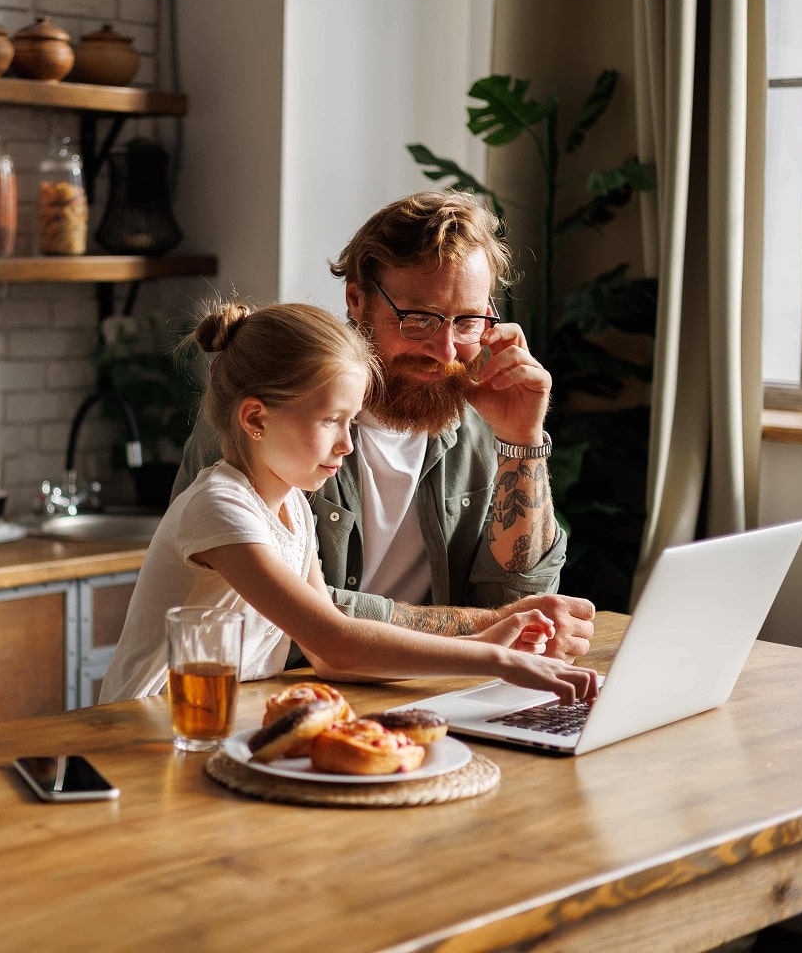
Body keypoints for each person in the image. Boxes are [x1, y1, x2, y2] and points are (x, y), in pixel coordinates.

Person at [98, 301, 599, 704]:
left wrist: (486, 644)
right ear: (255, 419)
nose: (347, 444)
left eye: (352, 421)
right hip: (147, 724)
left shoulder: (294, 507)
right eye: (330, 421)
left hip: (221, 719)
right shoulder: (219, 507)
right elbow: (336, 638)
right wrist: (498, 661)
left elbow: (331, 661)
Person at [171, 190, 595, 662]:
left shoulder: (481, 419)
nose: (447, 351)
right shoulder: (266, 417)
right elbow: (284, 624)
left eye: (467, 321)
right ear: (357, 297)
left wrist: (523, 439)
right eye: (419, 319)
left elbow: (516, 610)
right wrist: (489, 628)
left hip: (421, 693)